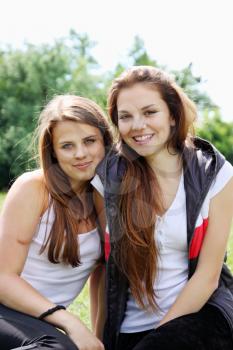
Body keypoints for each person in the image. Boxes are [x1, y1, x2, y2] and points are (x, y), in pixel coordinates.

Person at [92, 66, 233, 350]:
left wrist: (159, 338)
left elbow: (207, 277)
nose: (138, 125)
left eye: (150, 112)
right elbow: (104, 269)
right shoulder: (107, 179)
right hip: (130, 329)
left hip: (201, 316)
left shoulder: (216, 174)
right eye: (126, 117)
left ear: (172, 114)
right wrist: (100, 340)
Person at [0, 95, 113, 350]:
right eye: (67, 146)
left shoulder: (108, 200)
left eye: (89, 141)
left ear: (105, 141)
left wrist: (98, 339)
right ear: (53, 151)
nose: (81, 154)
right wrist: (70, 322)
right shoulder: (34, 188)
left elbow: (101, 280)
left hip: (39, 323)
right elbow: (3, 278)